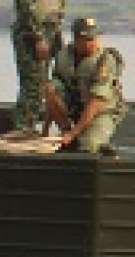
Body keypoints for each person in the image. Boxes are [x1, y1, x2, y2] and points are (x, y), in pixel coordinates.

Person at [9, 0, 69, 134]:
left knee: (53, 84)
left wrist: (57, 36)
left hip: (50, 33)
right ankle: (22, 130)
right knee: (32, 87)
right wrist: (37, 37)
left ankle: (40, 129)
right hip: (32, 34)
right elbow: (25, 4)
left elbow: (56, 5)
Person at [48, 16, 127, 154]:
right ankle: (68, 135)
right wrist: (46, 129)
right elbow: (51, 94)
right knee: (50, 87)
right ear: (77, 39)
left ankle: (95, 143)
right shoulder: (63, 56)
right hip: (75, 106)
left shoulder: (105, 60)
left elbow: (96, 102)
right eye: (88, 39)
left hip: (101, 111)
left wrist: (74, 133)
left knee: (88, 146)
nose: (94, 42)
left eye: (95, 38)